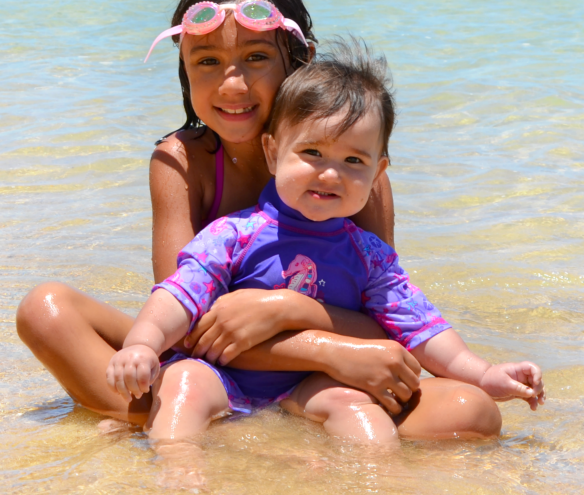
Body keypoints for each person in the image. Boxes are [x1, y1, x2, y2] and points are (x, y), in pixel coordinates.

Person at [17, 0, 502, 439]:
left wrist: (288, 309)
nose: (233, 85)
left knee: (471, 411)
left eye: (255, 57)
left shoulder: (352, 173)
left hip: (327, 382)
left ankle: (193, 426)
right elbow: (184, 320)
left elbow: (389, 320)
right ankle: (219, 425)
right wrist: (331, 349)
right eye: (207, 61)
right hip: (209, 364)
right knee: (46, 310)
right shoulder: (181, 161)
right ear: (184, 67)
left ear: (300, 60)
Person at [106, 41, 545, 451]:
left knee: (355, 406)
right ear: (273, 153)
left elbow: (422, 328)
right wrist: (143, 344)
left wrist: (485, 374)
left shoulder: (370, 256)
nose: (331, 174)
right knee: (183, 381)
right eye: (312, 153)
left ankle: (378, 480)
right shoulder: (233, 234)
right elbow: (178, 295)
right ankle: (178, 472)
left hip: (313, 383)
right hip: (227, 377)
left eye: (353, 160)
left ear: (377, 173)